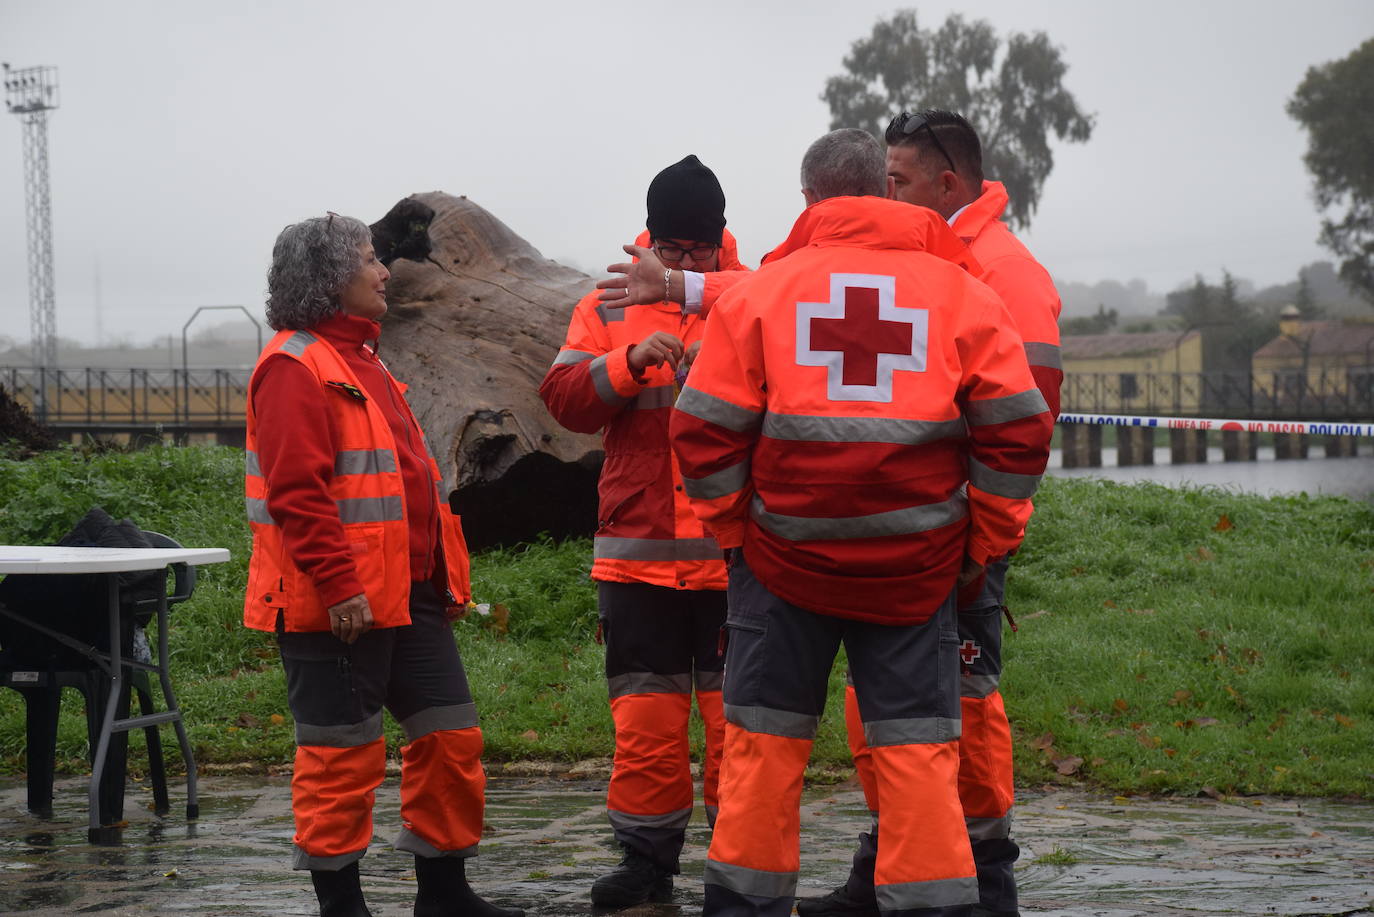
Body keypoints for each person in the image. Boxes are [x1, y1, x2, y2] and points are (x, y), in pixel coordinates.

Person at [670, 128, 1053, 917]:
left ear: (811, 200)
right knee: (917, 759)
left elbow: (702, 430)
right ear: (882, 192)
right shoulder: (963, 292)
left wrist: (739, 533)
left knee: (763, 756)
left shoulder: (759, 296)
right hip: (919, 574)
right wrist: (977, 545)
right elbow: (1019, 432)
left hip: (779, 568)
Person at [799, 110, 1063, 917]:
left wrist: (982, 545)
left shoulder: (1003, 273)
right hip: (909, 533)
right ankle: (880, 867)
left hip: (963, 539)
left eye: (897, 181)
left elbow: (1025, 428)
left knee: (966, 709)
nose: (883, 195)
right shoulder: (923, 259)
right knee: (884, 706)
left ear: (946, 185)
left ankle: (990, 882)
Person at [243, 214, 522, 917]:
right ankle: (342, 906)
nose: (384, 270)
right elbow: (297, 492)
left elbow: (408, 485)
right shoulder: (292, 365)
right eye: (369, 258)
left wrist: (442, 578)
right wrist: (340, 587)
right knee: (342, 759)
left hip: (409, 596)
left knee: (450, 736)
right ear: (329, 278)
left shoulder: (365, 360)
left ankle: (445, 894)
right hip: (337, 606)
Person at [539, 155, 749, 908]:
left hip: (734, 562)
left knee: (740, 732)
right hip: (636, 563)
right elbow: (562, 398)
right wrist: (626, 365)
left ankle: (739, 866)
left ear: (720, 241)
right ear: (652, 238)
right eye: (671, 249)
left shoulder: (750, 294)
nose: (681, 263)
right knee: (647, 728)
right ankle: (646, 866)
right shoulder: (609, 300)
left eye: (696, 251)